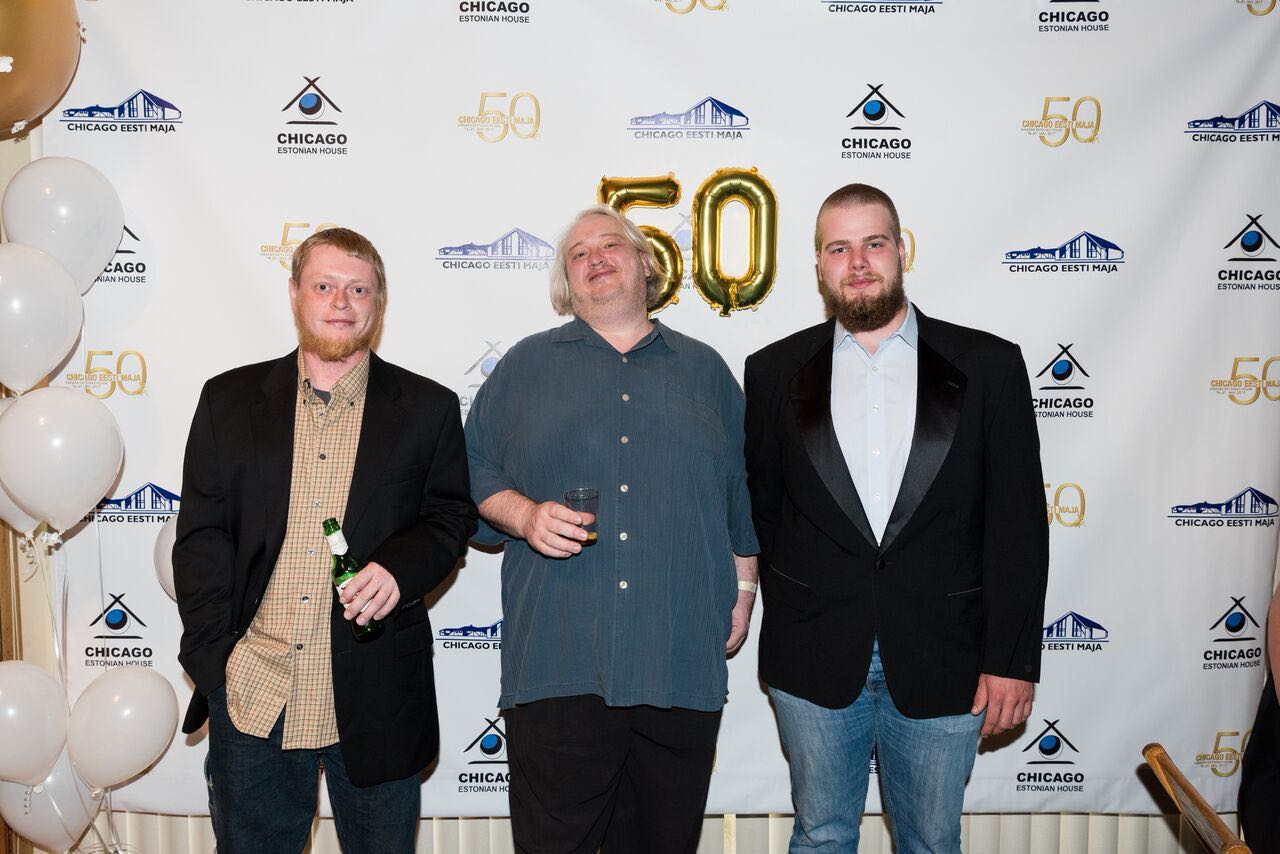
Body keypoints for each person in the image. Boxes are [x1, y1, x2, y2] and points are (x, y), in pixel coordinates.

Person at [744, 184, 1049, 853]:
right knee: (820, 837)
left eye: (874, 243)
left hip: (949, 655)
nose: (858, 262)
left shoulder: (989, 366)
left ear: (902, 250)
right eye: (839, 248)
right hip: (813, 655)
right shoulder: (771, 372)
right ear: (819, 265)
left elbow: (1018, 527)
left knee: (931, 843)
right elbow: (762, 514)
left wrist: (1011, 659)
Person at [464, 205, 759, 854]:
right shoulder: (524, 367)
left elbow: (742, 493)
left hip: (678, 661)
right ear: (566, 282)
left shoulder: (707, 371)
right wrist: (525, 515)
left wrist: (743, 591)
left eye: (611, 245)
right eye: (578, 253)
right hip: (558, 662)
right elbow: (471, 469)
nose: (595, 258)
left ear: (646, 264)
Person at [173, 227, 477, 853]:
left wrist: (397, 570)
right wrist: (216, 664)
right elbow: (201, 537)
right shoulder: (227, 400)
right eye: (324, 286)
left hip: (378, 696)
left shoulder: (429, 407)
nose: (341, 302)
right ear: (294, 293)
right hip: (254, 692)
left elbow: (450, 518)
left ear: (378, 303)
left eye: (358, 289)